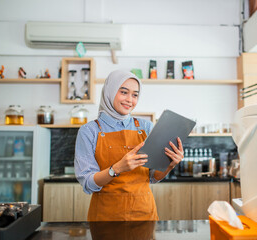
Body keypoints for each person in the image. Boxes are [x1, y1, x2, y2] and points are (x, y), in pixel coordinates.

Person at [74, 70, 184, 221]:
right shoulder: (89, 131)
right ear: (110, 92)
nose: (129, 100)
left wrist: (170, 164)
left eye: (135, 95)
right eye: (124, 92)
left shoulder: (146, 127)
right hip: (106, 218)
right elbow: (88, 184)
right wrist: (117, 169)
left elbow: (152, 177)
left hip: (144, 214)